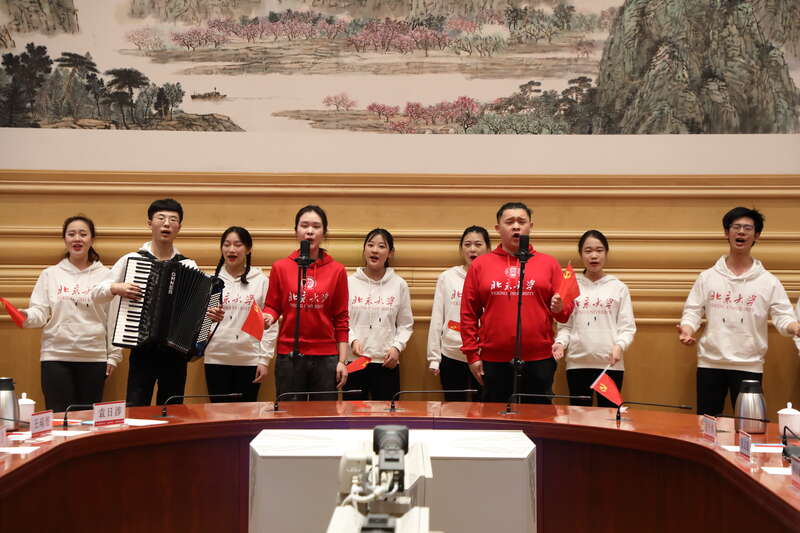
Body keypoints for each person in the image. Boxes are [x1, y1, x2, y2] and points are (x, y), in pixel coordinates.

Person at [92, 198, 223, 406]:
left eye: (173, 220)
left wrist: (211, 316)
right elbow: (96, 294)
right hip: (142, 346)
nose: (166, 224)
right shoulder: (132, 259)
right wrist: (116, 288)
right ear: (149, 223)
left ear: (179, 227)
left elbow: (198, 312)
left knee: (172, 409)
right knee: (136, 407)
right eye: (161, 218)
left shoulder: (189, 265)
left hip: (176, 351)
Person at [677, 207, 800, 416]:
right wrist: (687, 330)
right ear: (727, 233)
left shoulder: (768, 281)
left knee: (750, 426)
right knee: (706, 425)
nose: (741, 232)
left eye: (748, 228)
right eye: (736, 227)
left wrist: (795, 327)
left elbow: (783, 315)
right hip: (710, 363)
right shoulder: (707, 277)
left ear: (756, 236)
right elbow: (693, 311)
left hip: (749, 365)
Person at [461, 202, 574, 404]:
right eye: (509, 222)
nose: (516, 226)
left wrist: (559, 308)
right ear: (498, 228)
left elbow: (565, 313)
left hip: (539, 359)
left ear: (531, 226)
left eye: (521, 222)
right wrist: (472, 356)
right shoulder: (480, 265)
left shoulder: (548, 264)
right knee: (494, 417)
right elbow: (468, 313)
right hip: (494, 360)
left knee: (539, 418)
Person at [17, 215, 121, 412]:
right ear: (64, 239)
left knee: (87, 420)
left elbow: (114, 319)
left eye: (83, 234)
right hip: (55, 356)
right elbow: (40, 311)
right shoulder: (50, 274)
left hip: (94, 357)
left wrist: (114, 356)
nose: (77, 239)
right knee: (58, 418)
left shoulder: (107, 276)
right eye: (71, 234)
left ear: (92, 239)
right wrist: (26, 316)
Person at [263, 205, 349, 400]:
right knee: (289, 413)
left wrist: (342, 361)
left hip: (326, 357)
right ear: (296, 231)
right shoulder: (280, 267)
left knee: (324, 415)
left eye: (316, 226)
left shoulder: (337, 270)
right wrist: (268, 317)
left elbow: (341, 318)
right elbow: (273, 306)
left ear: (324, 233)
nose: (310, 231)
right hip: (289, 355)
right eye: (304, 226)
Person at [552, 230, 635, 406]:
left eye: (599, 250)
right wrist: (560, 343)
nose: (594, 256)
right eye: (588, 251)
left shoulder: (618, 288)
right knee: (579, 417)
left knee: (610, 416)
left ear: (606, 253)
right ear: (581, 254)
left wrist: (619, 346)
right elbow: (565, 326)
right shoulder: (571, 286)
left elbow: (627, 328)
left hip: (610, 365)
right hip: (577, 364)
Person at [203, 226, 278, 402]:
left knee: (247, 413)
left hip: (250, 359)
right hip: (216, 358)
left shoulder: (260, 281)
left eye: (238, 245)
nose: (231, 249)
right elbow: (198, 323)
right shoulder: (210, 281)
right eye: (227, 244)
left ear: (248, 249)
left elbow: (270, 324)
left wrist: (264, 360)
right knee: (217, 413)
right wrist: (208, 319)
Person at [345, 228, 413, 401]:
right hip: (355, 361)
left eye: (381, 246)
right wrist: (352, 340)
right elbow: (342, 320)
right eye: (370, 245)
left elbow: (406, 324)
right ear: (364, 250)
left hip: (386, 362)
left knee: (386, 413)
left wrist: (397, 347)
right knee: (352, 414)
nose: (375, 250)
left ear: (390, 253)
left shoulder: (399, 284)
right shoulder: (349, 282)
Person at [427, 225, 491, 401]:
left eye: (478, 244)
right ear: (461, 248)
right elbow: (437, 318)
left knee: (485, 408)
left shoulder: (494, 278)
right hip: (452, 353)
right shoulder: (447, 277)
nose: (472, 249)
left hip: (484, 355)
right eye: (467, 244)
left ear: (488, 248)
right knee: (454, 409)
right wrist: (434, 357)